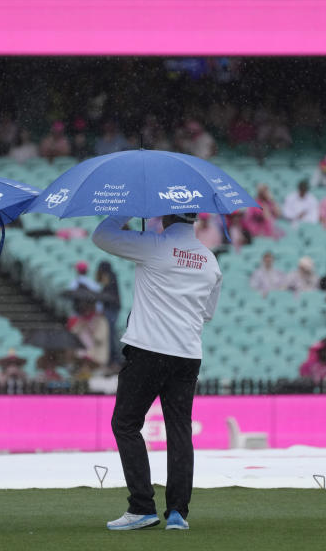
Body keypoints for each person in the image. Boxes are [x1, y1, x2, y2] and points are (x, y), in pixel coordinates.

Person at [92, 212, 222, 531]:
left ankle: (142, 507)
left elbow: (101, 236)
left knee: (125, 423)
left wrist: (126, 210)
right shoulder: (209, 260)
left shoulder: (153, 245)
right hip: (187, 354)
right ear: (193, 221)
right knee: (179, 430)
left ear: (164, 217)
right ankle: (177, 512)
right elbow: (207, 313)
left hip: (149, 350)